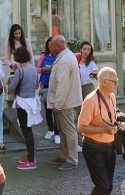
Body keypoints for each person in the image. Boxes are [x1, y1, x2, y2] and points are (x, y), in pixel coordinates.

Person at [77, 67, 125, 195]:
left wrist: (119, 125)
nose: (117, 84)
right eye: (114, 81)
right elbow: (81, 128)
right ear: (104, 82)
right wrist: (104, 129)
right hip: (93, 147)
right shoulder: (90, 100)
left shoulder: (112, 97)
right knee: (103, 186)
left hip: (110, 147)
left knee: (107, 188)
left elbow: (110, 119)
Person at [46, 34, 83, 170]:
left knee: (68, 130)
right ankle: (63, 156)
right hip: (65, 102)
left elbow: (63, 85)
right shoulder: (66, 57)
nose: (50, 47)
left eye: (52, 45)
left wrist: (58, 104)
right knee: (63, 130)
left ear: (57, 46)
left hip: (64, 103)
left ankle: (72, 160)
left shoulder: (64, 60)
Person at [10, 46, 41, 170]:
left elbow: (12, 87)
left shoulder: (19, 71)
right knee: (29, 130)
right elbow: (36, 86)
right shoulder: (34, 69)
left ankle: (31, 160)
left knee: (26, 131)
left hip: (22, 103)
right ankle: (30, 156)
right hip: (32, 102)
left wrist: (10, 84)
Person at [36, 37, 58, 143]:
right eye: (49, 45)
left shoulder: (59, 56)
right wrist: (44, 69)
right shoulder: (43, 56)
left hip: (56, 86)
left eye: (52, 45)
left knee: (56, 110)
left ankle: (58, 133)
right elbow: (37, 69)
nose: (51, 47)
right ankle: (51, 129)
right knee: (48, 109)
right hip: (45, 85)